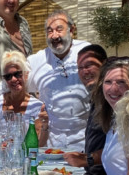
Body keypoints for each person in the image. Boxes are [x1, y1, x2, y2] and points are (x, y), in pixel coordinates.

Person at [24, 10, 91, 149]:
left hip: (84, 138)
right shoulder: (39, 59)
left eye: (59, 29)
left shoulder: (86, 51)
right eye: (50, 31)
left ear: (71, 30)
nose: (54, 36)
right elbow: (15, 77)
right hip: (52, 141)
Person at [0, 51, 49, 145]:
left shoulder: (36, 106)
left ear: (26, 75)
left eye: (18, 74)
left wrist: (45, 125)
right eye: (8, 76)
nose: (13, 79)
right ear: (4, 80)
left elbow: (38, 144)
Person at [64, 44, 108, 175]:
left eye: (89, 65)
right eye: (80, 68)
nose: (84, 72)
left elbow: (121, 149)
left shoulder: (110, 101)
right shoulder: (96, 98)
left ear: (104, 66)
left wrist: (87, 159)